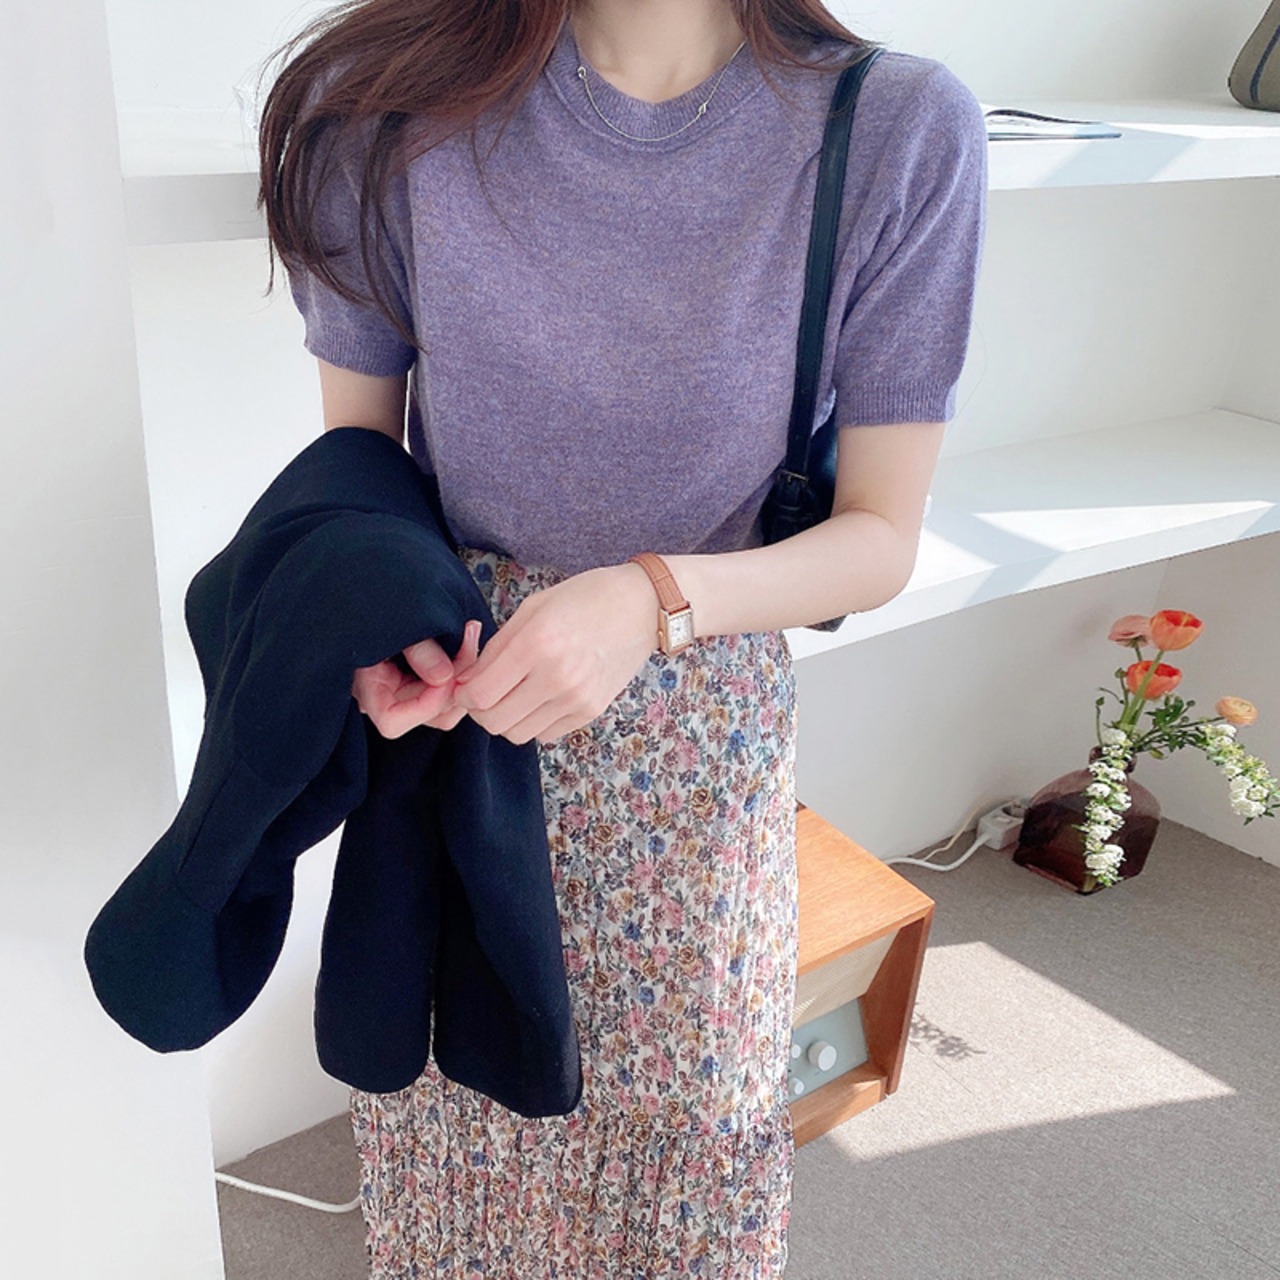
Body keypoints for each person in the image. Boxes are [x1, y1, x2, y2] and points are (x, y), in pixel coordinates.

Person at [257, 0, 987, 1273]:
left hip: (695, 738)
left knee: (682, 1155)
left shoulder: (891, 126)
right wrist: (372, 627)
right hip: (462, 713)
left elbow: (878, 535)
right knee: (461, 1139)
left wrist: (648, 600)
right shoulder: (382, 107)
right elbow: (360, 461)